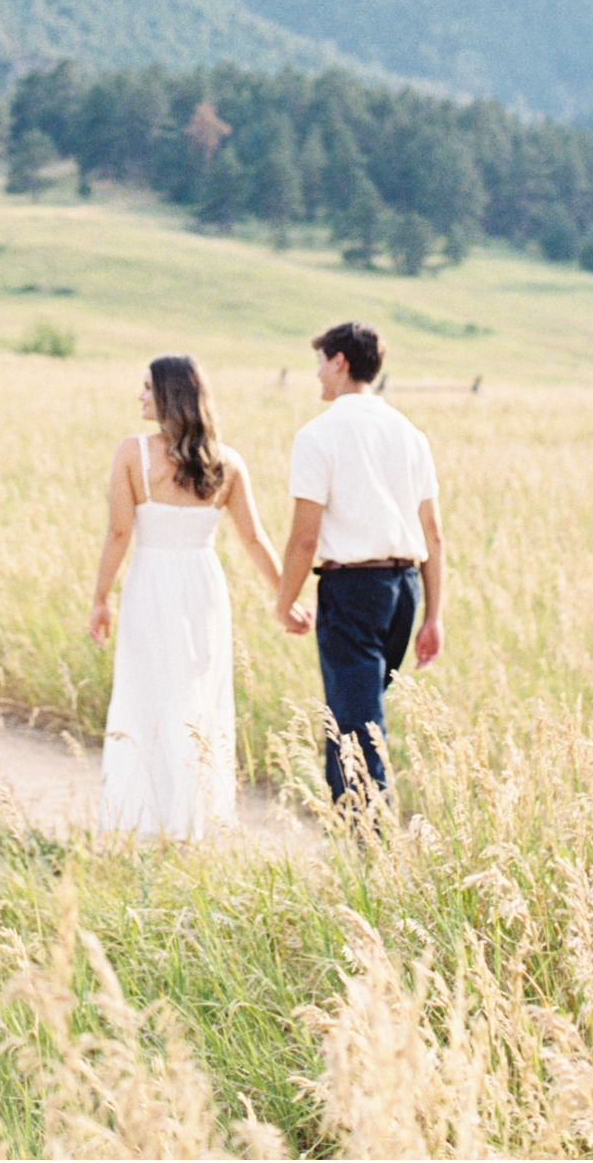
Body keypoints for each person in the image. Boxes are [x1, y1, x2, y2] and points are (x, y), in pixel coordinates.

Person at [88, 354, 310, 839]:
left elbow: (119, 532)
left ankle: (139, 820)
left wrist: (100, 597)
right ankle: (193, 820)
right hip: (202, 587)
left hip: (151, 583)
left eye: (147, 388)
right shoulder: (227, 463)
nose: (140, 396)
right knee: (195, 696)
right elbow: (255, 539)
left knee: (145, 691)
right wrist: (283, 599)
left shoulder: (132, 452)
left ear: (169, 396)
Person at [273, 320, 443, 806]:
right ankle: (360, 833)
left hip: (352, 591)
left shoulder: (317, 435)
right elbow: (433, 533)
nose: (318, 375)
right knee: (360, 714)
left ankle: (370, 844)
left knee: (354, 724)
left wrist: (284, 602)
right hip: (405, 590)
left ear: (340, 361)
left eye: (321, 363)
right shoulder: (411, 434)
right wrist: (433, 616)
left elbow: (303, 539)